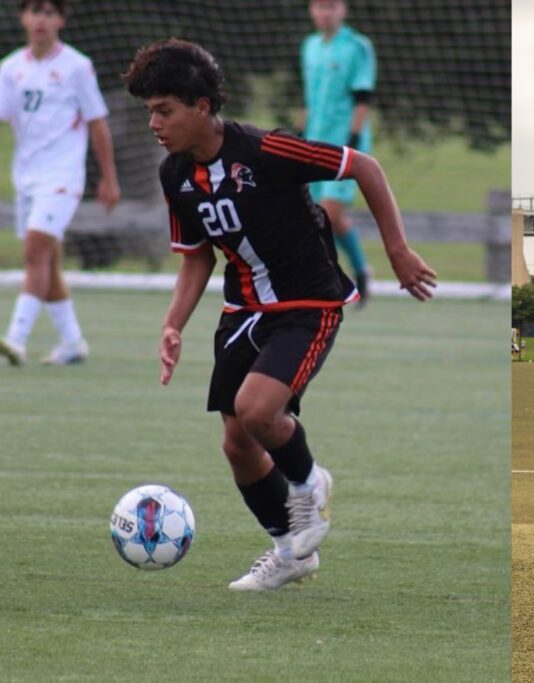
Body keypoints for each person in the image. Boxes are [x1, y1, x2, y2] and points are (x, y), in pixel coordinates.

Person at [122, 38, 435, 591]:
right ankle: (290, 552)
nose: (154, 123)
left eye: (164, 110)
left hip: (308, 304)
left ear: (201, 106)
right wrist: (173, 324)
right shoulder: (175, 175)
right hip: (243, 309)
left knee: (258, 410)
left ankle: (310, 483)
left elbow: (363, 165)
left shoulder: (266, 151)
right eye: (149, 111)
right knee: (237, 442)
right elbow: (197, 256)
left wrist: (397, 251)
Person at [0, 0, 120, 366]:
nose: (41, 19)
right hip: (27, 178)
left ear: (62, 20)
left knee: (35, 252)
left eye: (50, 12)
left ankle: (14, 340)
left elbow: (97, 122)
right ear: (22, 17)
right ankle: (72, 343)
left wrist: (109, 179)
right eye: (34, 11)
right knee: (48, 263)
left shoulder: (77, 67)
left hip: (63, 177)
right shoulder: (10, 68)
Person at [300, 0, 376, 305]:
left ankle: (330, 280)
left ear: (343, 9)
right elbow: (310, 97)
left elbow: (362, 98)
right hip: (313, 143)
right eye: (319, 6)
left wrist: (354, 140)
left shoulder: (358, 46)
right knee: (323, 215)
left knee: (329, 212)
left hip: (344, 145)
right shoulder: (309, 47)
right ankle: (361, 270)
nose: (325, 12)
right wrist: (299, 136)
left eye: (331, 6)